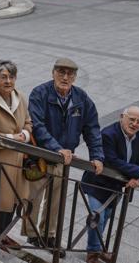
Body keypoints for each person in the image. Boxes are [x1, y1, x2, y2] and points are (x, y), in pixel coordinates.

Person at [28, 58, 104, 253]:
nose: (65, 77)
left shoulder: (81, 98)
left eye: (70, 74)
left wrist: (97, 156)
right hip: (40, 155)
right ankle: (31, 233)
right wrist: (55, 147)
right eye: (61, 72)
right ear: (53, 73)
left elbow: (92, 128)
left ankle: (49, 236)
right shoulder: (40, 93)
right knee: (33, 196)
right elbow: (37, 125)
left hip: (64, 158)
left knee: (56, 199)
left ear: (75, 77)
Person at [81, 106, 139, 263]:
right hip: (99, 183)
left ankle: (96, 248)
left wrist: (137, 179)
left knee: (105, 217)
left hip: (117, 187)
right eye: (132, 119)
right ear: (121, 117)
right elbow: (111, 160)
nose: (135, 124)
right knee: (97, 217)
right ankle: (92, 253)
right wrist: (137, 171)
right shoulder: (108, 134)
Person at [0, 60, 32, 251]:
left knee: (12, 199)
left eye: (11, 77)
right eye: (3, 77)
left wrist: (25, 135)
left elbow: (28, 122)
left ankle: (3, 234)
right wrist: (12, 137)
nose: (8, 81)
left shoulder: (20, 97)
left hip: (17, 158)